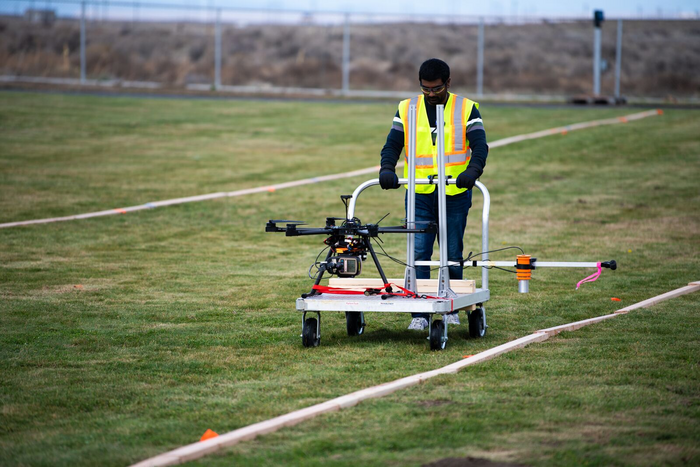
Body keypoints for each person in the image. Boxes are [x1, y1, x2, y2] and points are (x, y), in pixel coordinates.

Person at [379, 58, 489, 331]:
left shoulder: (466, 108)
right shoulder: (407, 108)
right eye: (425, 88)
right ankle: (420, 311)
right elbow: (393, 143)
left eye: (436, 89)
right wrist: (386, 168)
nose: (430, 94)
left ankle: (451, 305)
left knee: (451, 252)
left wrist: (472, 171)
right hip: (419, 192)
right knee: (418, 252)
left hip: (454, 191)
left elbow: (480, 146)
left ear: (448, 83)